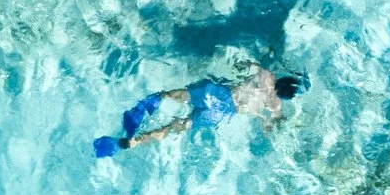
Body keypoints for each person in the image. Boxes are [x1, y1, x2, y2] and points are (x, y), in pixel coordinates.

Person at [93, 67, 304, 157]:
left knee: (176, 95)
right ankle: (135, 142)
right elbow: (271, 125)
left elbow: (249, 64)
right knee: (179, 126)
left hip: (219, 94)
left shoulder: (267, 75)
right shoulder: (276, 105)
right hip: (224, 113)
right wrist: (267, 124)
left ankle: (155, 101)